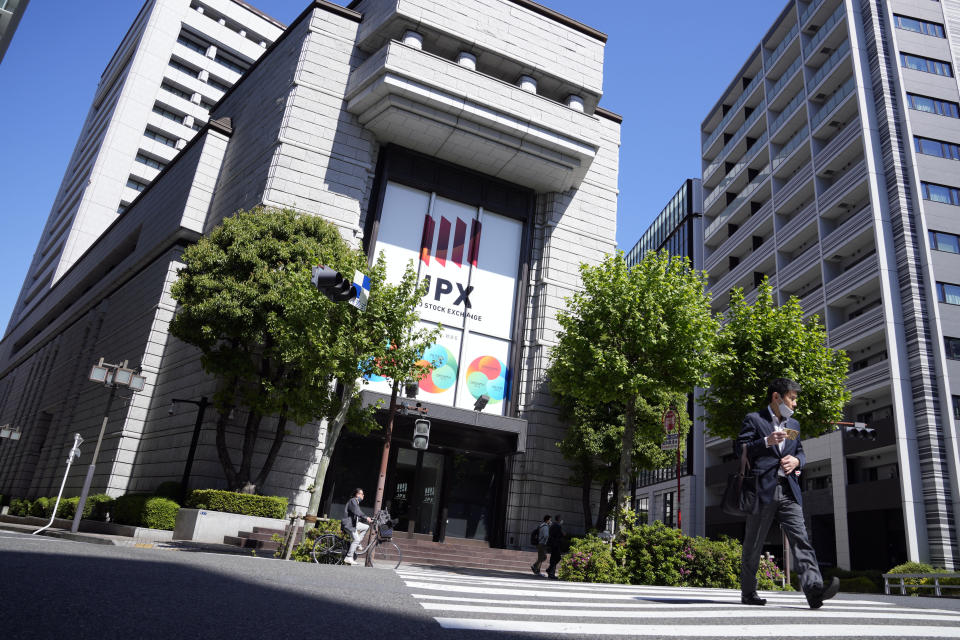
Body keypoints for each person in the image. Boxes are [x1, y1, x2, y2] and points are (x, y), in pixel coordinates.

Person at [736, 378, 840, 609]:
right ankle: (748, 591)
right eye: (791, 398)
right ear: (776, 397)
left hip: (789, 490)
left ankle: (814, 591)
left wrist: (797, 460)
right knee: (754, 543)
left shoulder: (794, 425)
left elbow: (800, 452)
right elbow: (740, 448)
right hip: (763, 490)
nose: (795, 403)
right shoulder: (754, 419)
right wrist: (765, 441)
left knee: (801, 539)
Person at [341, 487, 372, 566]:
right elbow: (357, 511)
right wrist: (366, 517)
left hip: (353, 523)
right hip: (349, 524)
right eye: (362, 494)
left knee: (366, 527)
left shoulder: (356, 502)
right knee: (357, 539)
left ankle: (357, 544)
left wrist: (368, 518)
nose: (363, 496)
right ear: (358, 494)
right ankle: (349, 557)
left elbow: (357, 514)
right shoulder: (353, 501)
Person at [546, 514, 564, 579]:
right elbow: (561, 534)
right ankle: (550, 572)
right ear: (558, 519)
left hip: (552, 544)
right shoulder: (558, 525)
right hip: (556, 544)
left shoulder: (553, 525)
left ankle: (550, 572)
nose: (561, 520)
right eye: (560, 518)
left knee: (553, 558)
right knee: (557, 557)